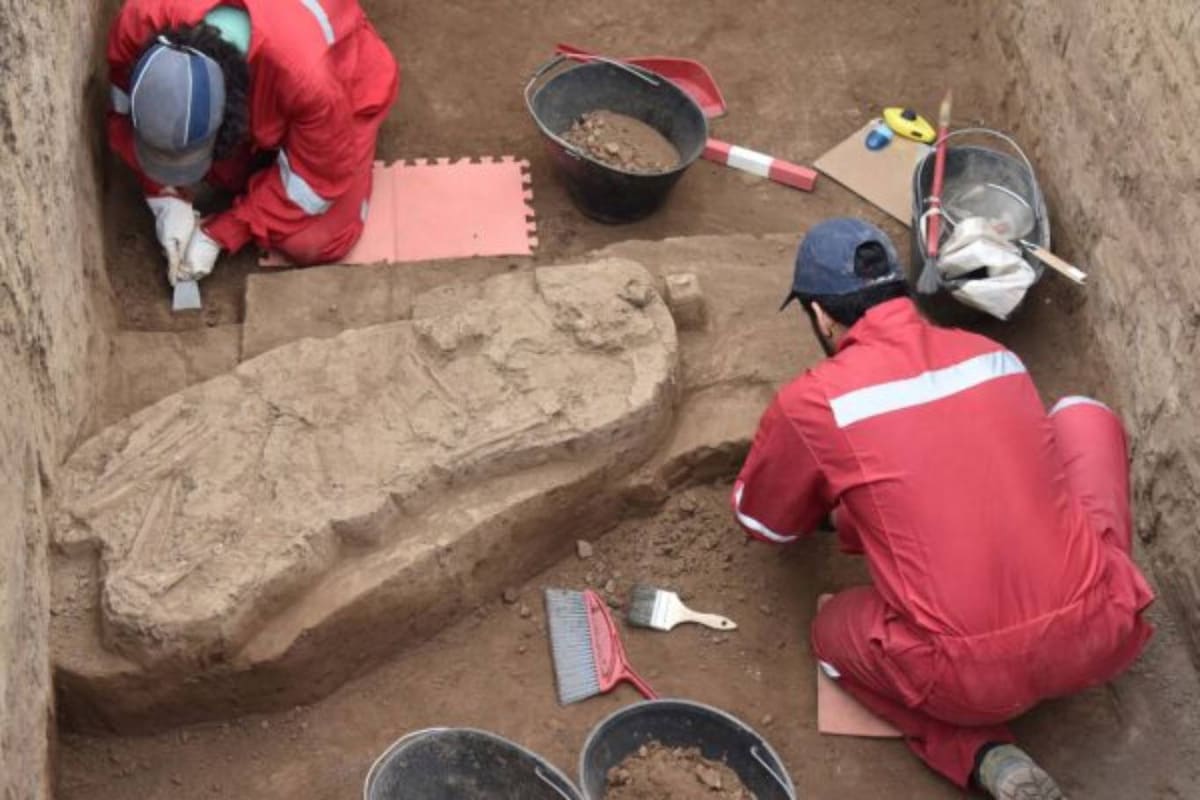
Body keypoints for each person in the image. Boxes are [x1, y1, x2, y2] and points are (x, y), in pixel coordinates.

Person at [732, 218, 1155, 799]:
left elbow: (763, 523)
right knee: (1082, 417)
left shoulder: (813, 402)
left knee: (832, 638)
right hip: (1096, 633)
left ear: (821, 317)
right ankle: (1093, 600)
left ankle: (985, 755)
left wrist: (833, 508)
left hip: (969, 679)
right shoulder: (992, 356)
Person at [106, 0, 399, 285]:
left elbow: (315, 181)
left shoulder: (309, 82)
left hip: (345, 89)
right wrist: (163, 194)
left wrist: (223, 232)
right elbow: (125, 109)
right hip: (283, 75)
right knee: (227, 173)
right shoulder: (141, 20)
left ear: (232, 108)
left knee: (314, 240)